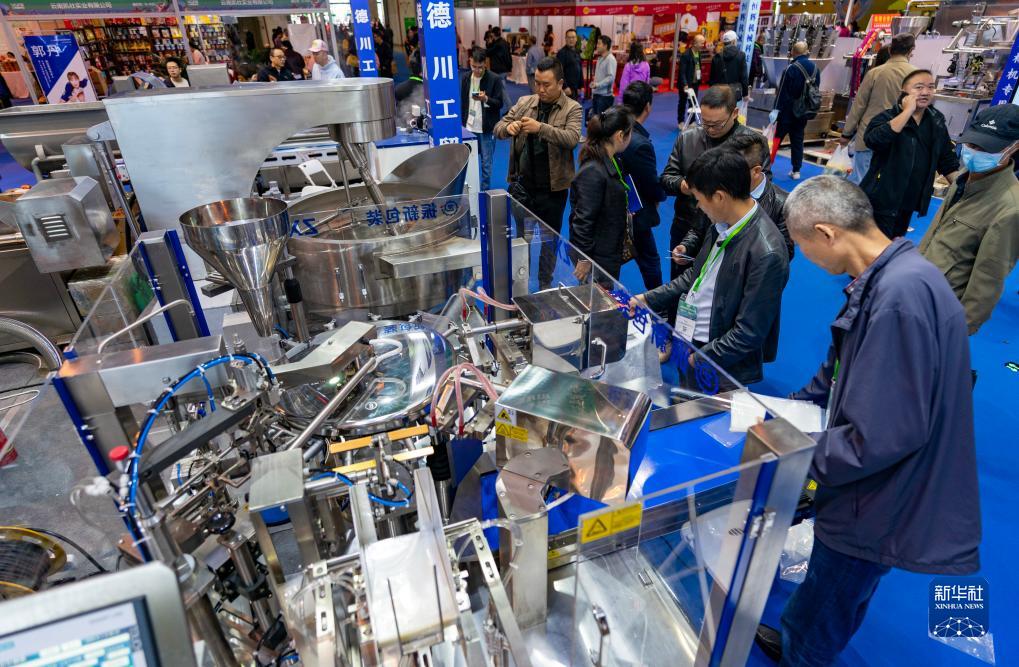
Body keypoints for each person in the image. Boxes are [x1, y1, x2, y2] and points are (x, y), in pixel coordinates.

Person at [755, 175, 980, 665]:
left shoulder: (899, 299)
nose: (805, 257)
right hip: (879, 483)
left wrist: (794, 448)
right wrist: (786, 408)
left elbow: (878, 438)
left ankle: (803, 653)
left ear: (826, 233)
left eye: (802, 245)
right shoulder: (890, 275)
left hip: (880, 496)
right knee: (830, 591)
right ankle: (798, 637)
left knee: (833, 593)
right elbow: (841, 367)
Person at [633, 148, 789, 387]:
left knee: (700, 408)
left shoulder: (767, 253)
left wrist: (701, 359)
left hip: (718, 361)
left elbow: (748, 332)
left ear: (719, 197)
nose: (698, 206)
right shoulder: (721, 223)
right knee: (683, 399)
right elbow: (696, 276)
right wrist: (647, 299)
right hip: (692, 339)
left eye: (699, 199)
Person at [660, 85, 759, 325]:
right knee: (679, 284)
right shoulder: (688, 138)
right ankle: (674, 331)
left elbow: (757, 190)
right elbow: (666, 178)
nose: (710, 130)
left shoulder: (750, 144)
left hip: (729, 232)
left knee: (719, 294)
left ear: (735, 114)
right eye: (705, 123)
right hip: (686, 223)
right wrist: (685, 186)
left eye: (717, 124)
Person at [919, 104, 1019, 335]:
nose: (974, 152)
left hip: (944, 309)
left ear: (1013, 147)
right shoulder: (964, 177)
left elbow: (988, 279)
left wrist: (960, 328)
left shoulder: (1010, 208)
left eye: (985, 148)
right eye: (972, 144)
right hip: (920, 286)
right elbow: (936, 232)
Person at [494, 57, 583, 289]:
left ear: (560, 83)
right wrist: (509, 128)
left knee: (549, 240)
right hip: (523, 188)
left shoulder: (572, 108)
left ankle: (545, 283)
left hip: (553, 191)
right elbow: (498, 128)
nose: (540, 89)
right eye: (537, 83)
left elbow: (572, 138)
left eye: (546, 84)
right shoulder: (525, 102)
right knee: (522, 239)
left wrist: (540, 128)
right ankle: (521, 281)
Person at [861, 69, 959, 239]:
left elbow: (947, 161)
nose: (925, 92)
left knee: (893, 246)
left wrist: (964, 189)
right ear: (904, 91)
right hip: (880, 199)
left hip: (908, 202)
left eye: (931, 87)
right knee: (870, 245)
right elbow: (874, 141)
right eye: (919, 87)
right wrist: (907, 112)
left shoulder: (936, 121)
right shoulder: (886, 117)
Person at [840, 33, 916, 184]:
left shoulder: (875, 73)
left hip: (869, 134)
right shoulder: (915, 75)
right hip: (898, 137)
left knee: (860, 180)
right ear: (911, 51)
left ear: (890, 50)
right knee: (887, 183)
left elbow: (858, 106)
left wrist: (846, 133)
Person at [569, 106, 634, 282]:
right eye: (630, 132)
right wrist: (584, 258)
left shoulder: (611, 159)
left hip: (608, 247)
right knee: (598, 297)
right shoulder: (593, 171)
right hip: (597, 256)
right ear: (620, 135)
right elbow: (583, 219)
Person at [619, 81, 667, 291]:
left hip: (614, 208)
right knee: (650, 261)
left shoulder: (613, 126)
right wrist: (660, 195)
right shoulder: (639, 144)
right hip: (635, 214)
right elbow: (651, 184)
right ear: (648, 106)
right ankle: (657, 303)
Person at [728, 131, 794, 259]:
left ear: (756, 171)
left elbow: (783, 254)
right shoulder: (723, 188)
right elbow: (700, 228)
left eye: (733, 171)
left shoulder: (783, 204)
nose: (726, 176)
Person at [769, 41, 819, 181]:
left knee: (776, 139)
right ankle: (796, 170)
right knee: (797, 140)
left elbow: (782, 92)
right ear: (807, 52)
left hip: (787, 112)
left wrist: (775, 110)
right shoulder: (816, 68)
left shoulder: (791, 68)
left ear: (793, 52)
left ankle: (767, 166)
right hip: (803, 112)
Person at [461, 48, 507, 193]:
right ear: (470, 62)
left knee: (486, 163)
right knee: (468, 161)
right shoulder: (466, 78)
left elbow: (499, 103)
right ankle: (470, 189)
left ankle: (484, 192)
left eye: (480, 67)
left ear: (485, 63)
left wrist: (486, 99)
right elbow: (463, 102)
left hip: (486, 127)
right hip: (469, 127)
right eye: (474, 66)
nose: (477, 70)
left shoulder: (494, 79)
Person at [709, 30, 748, 102]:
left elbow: (712, 78)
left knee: (720, 108)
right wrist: (745, 93)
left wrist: (712, 92)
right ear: (733, 41)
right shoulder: (741, 55)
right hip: (734, 91)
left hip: (719, 91)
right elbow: (744, 76)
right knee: (732, 108)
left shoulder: (717, 57)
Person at [677, 33, 705, 126]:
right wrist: (685, 83)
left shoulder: (698, 53)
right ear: (695, 43)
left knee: (693, 103)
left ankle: (692, 121)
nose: (703, 45)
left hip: (695, 82)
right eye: (701, 43)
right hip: (686, 83)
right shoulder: (686, 55)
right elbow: (682, 71)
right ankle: (680, 121)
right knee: (683, 102)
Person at [591, 35, 617, 115]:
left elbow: (610, 77)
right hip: (597, 94)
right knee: (596, 119)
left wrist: (598, 85)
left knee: (602, 120)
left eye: (599, 43)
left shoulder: (610, 59)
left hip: (605, 96)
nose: (597, 46)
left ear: (605, 46)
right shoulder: (600, 58)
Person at [557, 29, 583, 99]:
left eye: (573, 37)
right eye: (569, 37)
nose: (571, 39)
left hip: (575, 88)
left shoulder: (577, 52)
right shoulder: (562, 53)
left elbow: (580, 69)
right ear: (565, 39)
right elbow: (559, 71)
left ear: (576, 39)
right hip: (567, 89)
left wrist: (581, 86)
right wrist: (565, 86)